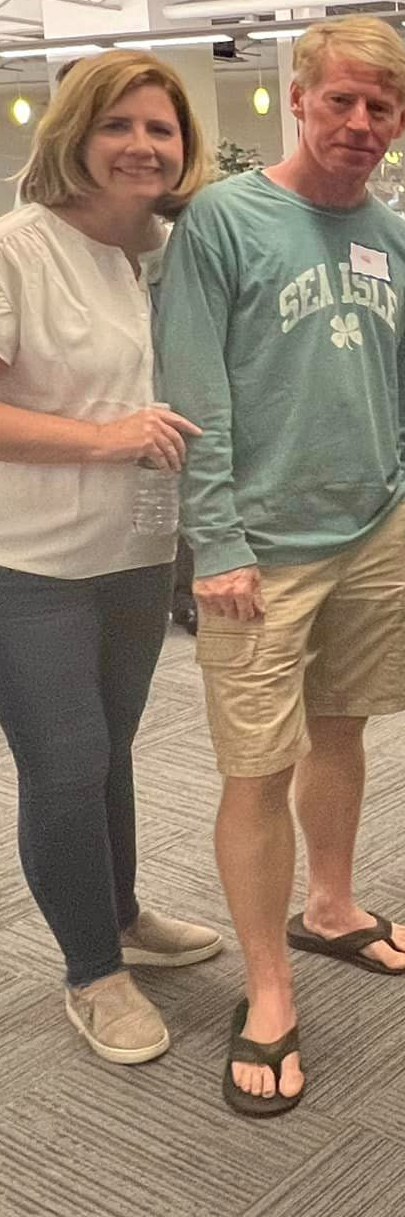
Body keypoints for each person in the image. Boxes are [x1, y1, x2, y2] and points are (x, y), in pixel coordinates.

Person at [156, 16, 405, 1116]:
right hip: (262, 555)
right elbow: (197, 392)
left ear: (400, 121)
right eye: (341, 101)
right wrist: (217, 541)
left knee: (342, 730)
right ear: (298, 100)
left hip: (371, 529)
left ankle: (330, 907)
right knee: (254, 767)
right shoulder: (227, 221)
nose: (360, 123)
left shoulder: (401, 242)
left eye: (381, 107)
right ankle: (267, 987)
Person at [0, 52, 223, 1065]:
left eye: (162, 129)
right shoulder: (20, 249)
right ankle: (92, 972)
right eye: (119, 125)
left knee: (112, 751)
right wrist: (105, 439)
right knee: (66, 764)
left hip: (139, 550)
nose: (143, 145)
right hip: (28, 561)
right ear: (76, 136)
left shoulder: (177, 251)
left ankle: (123, 912)